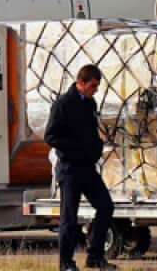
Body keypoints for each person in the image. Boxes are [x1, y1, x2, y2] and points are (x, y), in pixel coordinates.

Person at [44, 64, 116, 271]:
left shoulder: (90, 103)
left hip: (87, 167)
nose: (95, 90)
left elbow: (92, 132)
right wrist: (77, 149)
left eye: (97, 86)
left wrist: (96, 148)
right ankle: (66, 263)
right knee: (69, 217)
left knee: (105, 206)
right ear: (81, 82)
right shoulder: (63, 104)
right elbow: (51, 136)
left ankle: (95, 256)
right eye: (92, 85)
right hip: (70, 168)